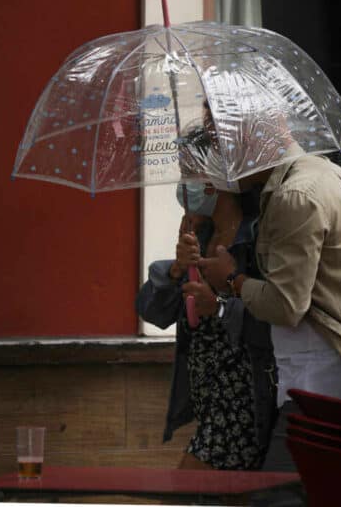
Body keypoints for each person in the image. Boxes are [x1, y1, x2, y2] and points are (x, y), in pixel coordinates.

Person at [182, 135, 341, 471]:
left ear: (251, 139)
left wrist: (233, 280)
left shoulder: (295, 196)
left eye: (223, 143)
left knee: (280, 495)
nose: (219, 159)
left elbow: (285, 306)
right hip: (331, 383)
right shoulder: (322, 176)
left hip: (326, 389)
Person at [136, 139, 277, 471]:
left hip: (242, 394)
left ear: (219, 179)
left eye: (191, 173)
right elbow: (153, 313)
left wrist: (220, 306)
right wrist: (174, 270)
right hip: (207, 394)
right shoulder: (198, 235)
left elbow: (279, 311)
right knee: (231, 496)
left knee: (188, 489)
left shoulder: (258, 237)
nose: (185, 185)